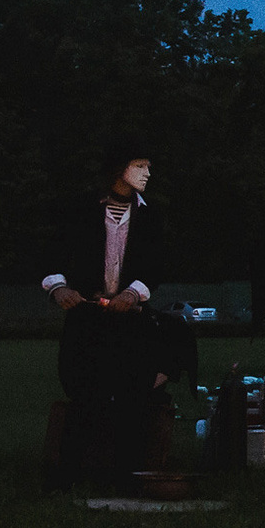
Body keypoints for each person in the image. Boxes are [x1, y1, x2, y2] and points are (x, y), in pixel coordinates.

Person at [46, 145, 193, 492]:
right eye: (139, 165)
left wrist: (132, 293)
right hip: (85, 317)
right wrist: (58, 289)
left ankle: (125, 477)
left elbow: (155, 265)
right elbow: (52, 253)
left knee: (130, 395)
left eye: (149, 166)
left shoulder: (150, 216)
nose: (147, 172)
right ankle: (68, 478)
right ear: (118, 168)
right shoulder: (82, 210)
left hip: (129, 320)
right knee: (83, 391)